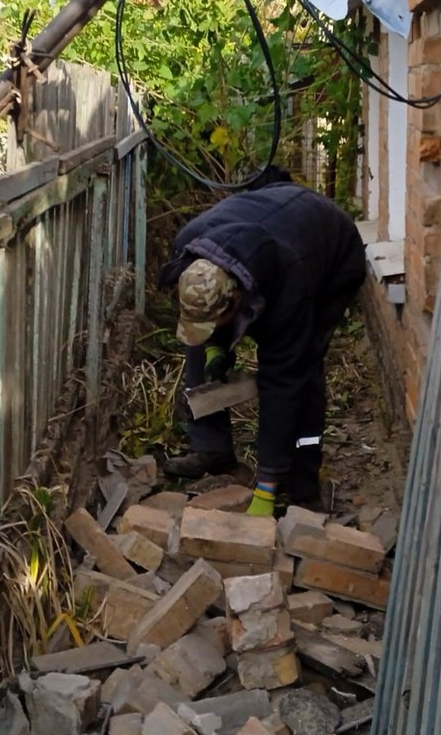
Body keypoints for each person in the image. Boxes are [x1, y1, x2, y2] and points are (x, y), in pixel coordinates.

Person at [157, 177, 366, 516]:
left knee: (302, 370)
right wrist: (215, 350)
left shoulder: (289, 288)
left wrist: (265, 488)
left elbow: (281, 384)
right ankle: (212, 450)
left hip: (333, 253)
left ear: (238, 300)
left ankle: (302, 483)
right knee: (197, 340)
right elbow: (203, 318)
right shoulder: (189, 252)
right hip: (273, 218)